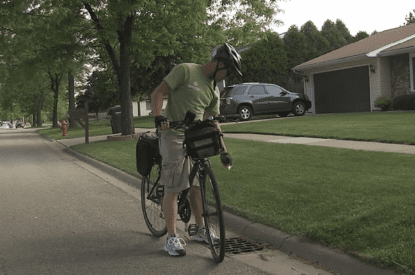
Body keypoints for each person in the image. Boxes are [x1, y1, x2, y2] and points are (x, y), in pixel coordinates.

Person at [150, 42, 242, 257]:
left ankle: (200, 229)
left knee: (197, 185)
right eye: (227, 70)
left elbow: (213, 122)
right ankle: (171, 237)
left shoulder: (214, 90)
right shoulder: (186, 70)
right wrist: (158, 116)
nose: (226, 75)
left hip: (195, 136)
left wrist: (223, 151)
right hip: (173, 133)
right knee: (174, 186)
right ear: (219, 63)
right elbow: (158, 93)